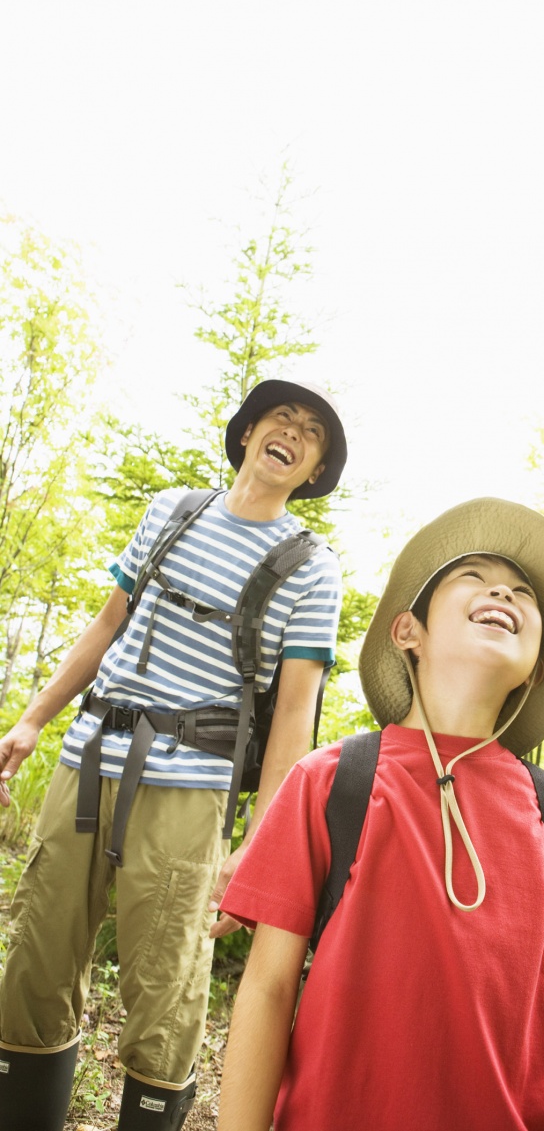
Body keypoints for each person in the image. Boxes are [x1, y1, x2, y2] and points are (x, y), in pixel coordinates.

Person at [217, 497, 544, 1131]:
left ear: (533, 671)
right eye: (474, 576)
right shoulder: (331, 782)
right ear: (409, 632)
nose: (504, 592)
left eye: (523, 593)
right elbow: (268, 989)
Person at [0, 379, 347, 1131]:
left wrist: (261, 841)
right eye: (282, 416)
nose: (291, 431)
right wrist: (33, 720)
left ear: (314, 470)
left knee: (166, 982)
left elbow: (295, 715)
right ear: (250, 430)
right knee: (36, 954)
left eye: (311, 431)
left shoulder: (312, 568)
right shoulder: (171, 510)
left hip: (190, 787)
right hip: (87, 756)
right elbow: (106, 625)